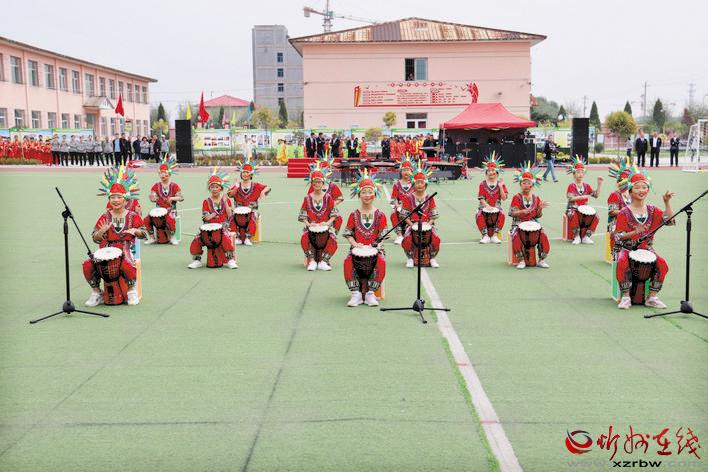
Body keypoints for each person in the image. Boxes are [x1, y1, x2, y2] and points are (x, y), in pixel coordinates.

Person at [614, 166, 675, 309]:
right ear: (630, 191)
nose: (641, 190)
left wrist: (667, 202)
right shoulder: (624, 212)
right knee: (622, 262)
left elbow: (670, 221)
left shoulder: (653, 210)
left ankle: (652, 297)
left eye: (644, 187)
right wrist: (634, 232)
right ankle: (626, 297)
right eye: (637, 188)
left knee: (662, 264)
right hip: (627, 249)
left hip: (647, 249)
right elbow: (618, 237)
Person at [82, 169, 145, 306]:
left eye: (118, 197)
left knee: (127, 263)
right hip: (107, 249)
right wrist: (101, 232)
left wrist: (136, 231)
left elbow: (144, 233)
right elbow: (95, 238)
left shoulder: (133, 216)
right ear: (109, 199)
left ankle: (131, 291)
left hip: (125, 248)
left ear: (125, 199)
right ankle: (96, 292)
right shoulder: (105, 216)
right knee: (88, 264)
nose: (115, 200)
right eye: (112, 197)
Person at [342, 170, 388, 307]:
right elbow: (348, 234)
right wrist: (355, 244)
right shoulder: (353, 215)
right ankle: (355, 294)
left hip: (375, 249)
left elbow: (383, 235)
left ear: (375, 194)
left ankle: (370, 294)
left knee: (381, 261)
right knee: (348, 262)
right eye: (364, 192)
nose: (367, 195)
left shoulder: (380, 215)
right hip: (357, 249)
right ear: (359, 194)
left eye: (370, 192)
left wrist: (378, 245)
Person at [188, 169, 237, 269]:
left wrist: (225, 202)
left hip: (222, 228)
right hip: (208, 229)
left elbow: (229, 215)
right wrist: (214, 214)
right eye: (212, 187)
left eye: (217, 187)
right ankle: (197, 260)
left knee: (226, 239)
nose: (214, 189)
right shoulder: (206, 201)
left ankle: (230, 260)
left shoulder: (226, 200)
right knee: (196, 240)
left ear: (221, 188)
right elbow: (206, 217)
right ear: (209, 188)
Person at [509, 162, 551, 269]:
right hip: (519, 223)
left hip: (532, 223)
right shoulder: (517, 197)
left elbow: (538, 215)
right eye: (524, 183)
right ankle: (521, 260)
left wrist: (540, 208)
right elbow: (512, 212)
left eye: (528, 183)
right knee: (515, 236)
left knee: (543, 235)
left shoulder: (536, 198)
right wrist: (523, 211)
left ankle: (541, 260)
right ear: (520, 184)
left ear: (532, 184)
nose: (526, 185)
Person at [400, 161, 441, 268]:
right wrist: (411, 225)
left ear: (425, 184)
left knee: (436, 239)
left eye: (421, 182)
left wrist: (428, 224)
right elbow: (404, 215)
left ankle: (432, 258)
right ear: (413, 184)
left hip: (427, 225)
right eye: (417, 183)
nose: (419, 185)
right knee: (407, 239)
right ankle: (410, 258)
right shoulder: (408, 197)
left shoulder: (429, 197)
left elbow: (433, 215)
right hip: (412, 225)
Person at [299, 165, 339, 271]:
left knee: (333, 240)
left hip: (325, 226)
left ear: (323, 183)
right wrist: (308, 224)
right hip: (311, 227)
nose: (317, 184)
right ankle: (312, 261)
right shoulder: (307, 198)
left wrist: (327, 223)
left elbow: (334, 214)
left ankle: (323, 262)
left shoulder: (328, 197)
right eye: (315, 182)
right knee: (304, 238)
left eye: (319, 182)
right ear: (312, 183)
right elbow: (303, 214)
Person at [227, 159, 271, 245]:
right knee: (231, 216)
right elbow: (230, 195)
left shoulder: (256, 185)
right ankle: (236, 237)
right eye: (243, 172)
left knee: (254, 215)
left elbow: (268, 188)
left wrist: (263, 191)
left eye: (247, 172)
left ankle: (248, 237)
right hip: (238, 211)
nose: (245, 174)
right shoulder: (237, 185)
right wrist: (236, 187)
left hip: (252, 211)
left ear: (251, 174)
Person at [143, 156, 183, 245]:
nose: (162, 175)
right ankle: (152, 238)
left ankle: (172, 237)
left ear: (169, 173)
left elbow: (181, 197)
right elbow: (153, 196)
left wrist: (172, 198)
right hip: (158, 211)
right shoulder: (156, 186)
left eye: (164, 172)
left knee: (170, 219)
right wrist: (152, 198)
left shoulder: (174, 186)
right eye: (161, 173)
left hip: (171, 210)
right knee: (146, 219)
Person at [565, 156, 603, 245]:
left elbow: (596, 195)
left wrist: (599, 184)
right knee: (572, 214)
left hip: (584, 209)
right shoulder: (571, 186)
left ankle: (586, 236)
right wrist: (582, 197)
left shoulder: (586, 186)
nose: (580, 174)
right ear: (574, 173)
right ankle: (576, 236)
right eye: (578, 172)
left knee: (596, 216)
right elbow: (571, 198)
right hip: (573, 209)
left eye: (582, 172)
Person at [476, 152, 508, 244]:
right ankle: (485, 236)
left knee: (502, 214)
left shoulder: (501, 183)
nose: (491, 172)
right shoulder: (482, 184)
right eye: (489, 170)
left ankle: (495, 235)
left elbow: (504, 198)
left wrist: (501, 186)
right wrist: (487, 206)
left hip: (497, 208)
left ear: (496, 172)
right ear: (486, 172)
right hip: (484, 207)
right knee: (479, 214)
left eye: (493, 170)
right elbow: (481, 198)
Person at [307, 157, 344, 233]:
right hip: (316, 208)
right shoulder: (314, 185)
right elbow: (309, 198)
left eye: (329, 170)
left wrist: (332, 205)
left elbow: (340, 198)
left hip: (330, 210)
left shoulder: (332, 186)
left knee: (338, 218)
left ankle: (333, 232)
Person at [607, 160, 632, 256]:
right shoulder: (615, 195)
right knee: (617, 234)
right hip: (616, 223)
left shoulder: (632, 195)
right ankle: (616, 255)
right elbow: (612, 211)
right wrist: (626, 212)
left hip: (629, 223)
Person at [389, 156, 414, 245]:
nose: (406, 172)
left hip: (412, 208)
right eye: (404, 170)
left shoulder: (414, 184)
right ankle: (399, 235)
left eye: (408, 170)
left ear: (412, 171)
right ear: (401, 171)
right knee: (393, 214)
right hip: (401, 208)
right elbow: (394, 199)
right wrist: (398, 207)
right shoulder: (397, 184)